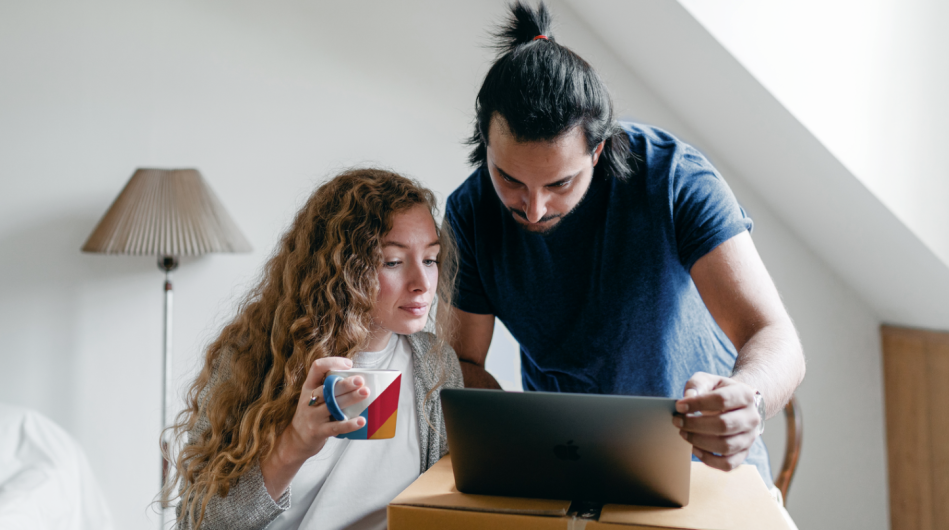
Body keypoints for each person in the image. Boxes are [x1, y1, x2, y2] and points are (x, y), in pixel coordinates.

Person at [445, 2, 805, 491]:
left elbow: (774, 334)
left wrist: (749, 398)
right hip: (568, 475)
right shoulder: (469, 212)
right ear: (485, 142)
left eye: (559, 183)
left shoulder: (673, 178)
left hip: (709, 471)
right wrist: (512, 430)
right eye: (509, 179)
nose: (532, 209)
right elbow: (462, 362)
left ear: (596, 150)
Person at [166, 168, 464, 530]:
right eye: (393, 261)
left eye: (430, 259)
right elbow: (196, 522)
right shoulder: (255, 358)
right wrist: (295, 443)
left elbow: (447, 505)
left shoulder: (435, 364)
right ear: (343, 269)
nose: (422, 283)